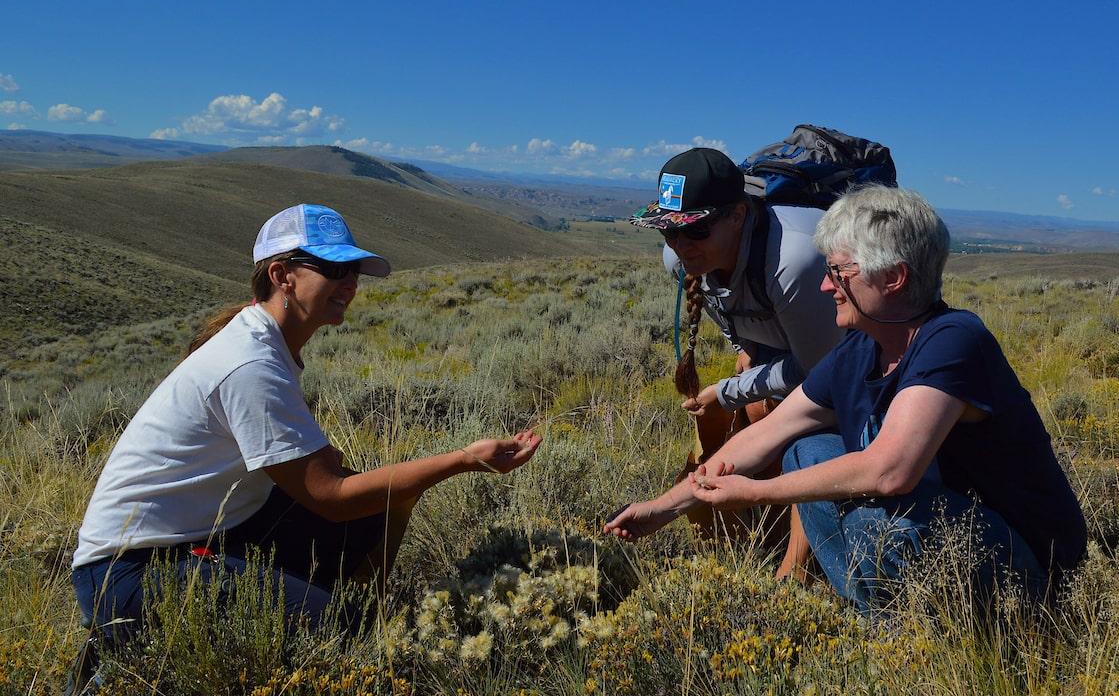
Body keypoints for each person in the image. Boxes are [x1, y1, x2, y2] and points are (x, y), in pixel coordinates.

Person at [71, 203, 542, 643]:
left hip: (209, 534)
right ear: (282, 276)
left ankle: (356, 615)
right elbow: (331, 499)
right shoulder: (249, 362)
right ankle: (347, 631)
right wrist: (464, 460)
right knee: (343, 629)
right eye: (333, 270)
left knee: (381, 504)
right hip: (129, 574)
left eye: (353, 272)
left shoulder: (266, 344)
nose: (349, 284)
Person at [663, 185, 1086, 613]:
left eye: (838, 272)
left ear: (893, 277)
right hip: (943, 529)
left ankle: (906, 633)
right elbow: (770, 432)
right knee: (806, 451)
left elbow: (890, 472)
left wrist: (756, 493)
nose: (826, 286)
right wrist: (661, 510)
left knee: (872, 518)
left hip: (1028, 565)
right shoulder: (860, 348)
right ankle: (874, 612)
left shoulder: (954, 339)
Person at [610, 147, 870, 576]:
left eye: (695, 230)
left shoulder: (796, 262)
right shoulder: (681, 259)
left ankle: (797, 570)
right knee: (749, 408)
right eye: (668, 232)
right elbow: (731, 318)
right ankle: (757, 530)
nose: (679, 244)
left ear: (737, 214)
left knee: (796, 429)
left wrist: (729, 390)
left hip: (843, 358)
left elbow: (818, 373)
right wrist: (745, 354)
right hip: (796, 345)